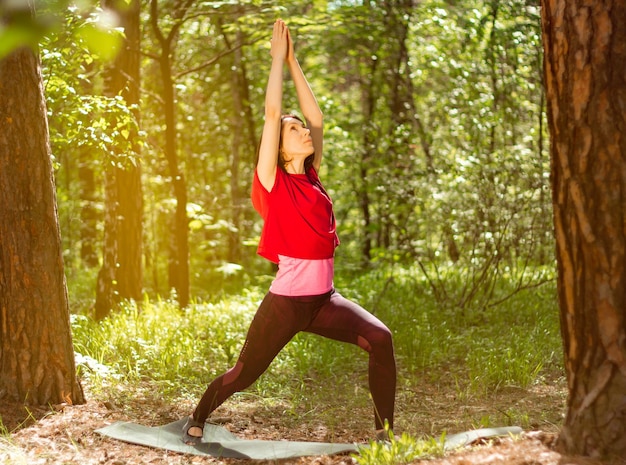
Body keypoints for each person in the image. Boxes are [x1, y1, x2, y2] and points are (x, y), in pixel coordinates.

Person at [182, 19, 396, 444]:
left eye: (302, 130)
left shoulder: (313, 177)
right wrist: (276, 61)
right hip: (285, 304)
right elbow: (273, 114)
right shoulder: (271, 183)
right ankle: (199, 414)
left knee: (381, 339)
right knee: (245, 373)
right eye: (294, 131)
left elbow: (316, 115)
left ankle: (385, 432)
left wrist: (296, 62)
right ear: (280, 149)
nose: (303, 131)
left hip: (324, 300)